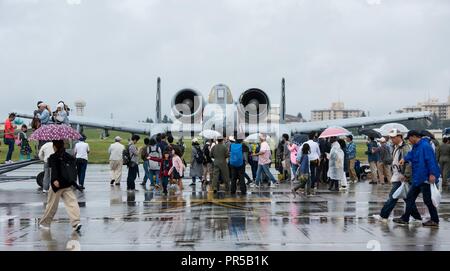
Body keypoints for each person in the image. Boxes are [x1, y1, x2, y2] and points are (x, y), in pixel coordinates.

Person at [393, 130, 441, 227]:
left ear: (414, 136)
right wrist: (404, 159)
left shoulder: (425, 146)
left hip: (425, 178)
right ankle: (405, 218)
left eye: (409, 138)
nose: (409, 141)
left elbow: (431, 161)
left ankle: (435, 220)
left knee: (427, 200)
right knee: (409, 197)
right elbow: (411, 154)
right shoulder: (416, 146)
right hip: (417, 178)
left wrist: (432, 174)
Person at [375, 129, 421, 222]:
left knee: (393, 196)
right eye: (391, 138)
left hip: (401, 176)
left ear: (400, 137)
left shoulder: (405, 148)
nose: (392, 139)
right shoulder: (396, 147)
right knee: (407, 198)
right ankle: (417, 218)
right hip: (397, 175)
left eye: (394, 137)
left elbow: (409, 162)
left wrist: (406, 175)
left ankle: (383, 216)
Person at [38, 140, 82, 232]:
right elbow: (73, 167)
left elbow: (53, 171)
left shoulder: (53, 157)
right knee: (72, 203)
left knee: (51, 205)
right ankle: (76, 223)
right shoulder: (68, 156)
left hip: (57, 185)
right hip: (67, 183)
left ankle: (45, 223)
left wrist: (54, 180)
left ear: (55, 146)